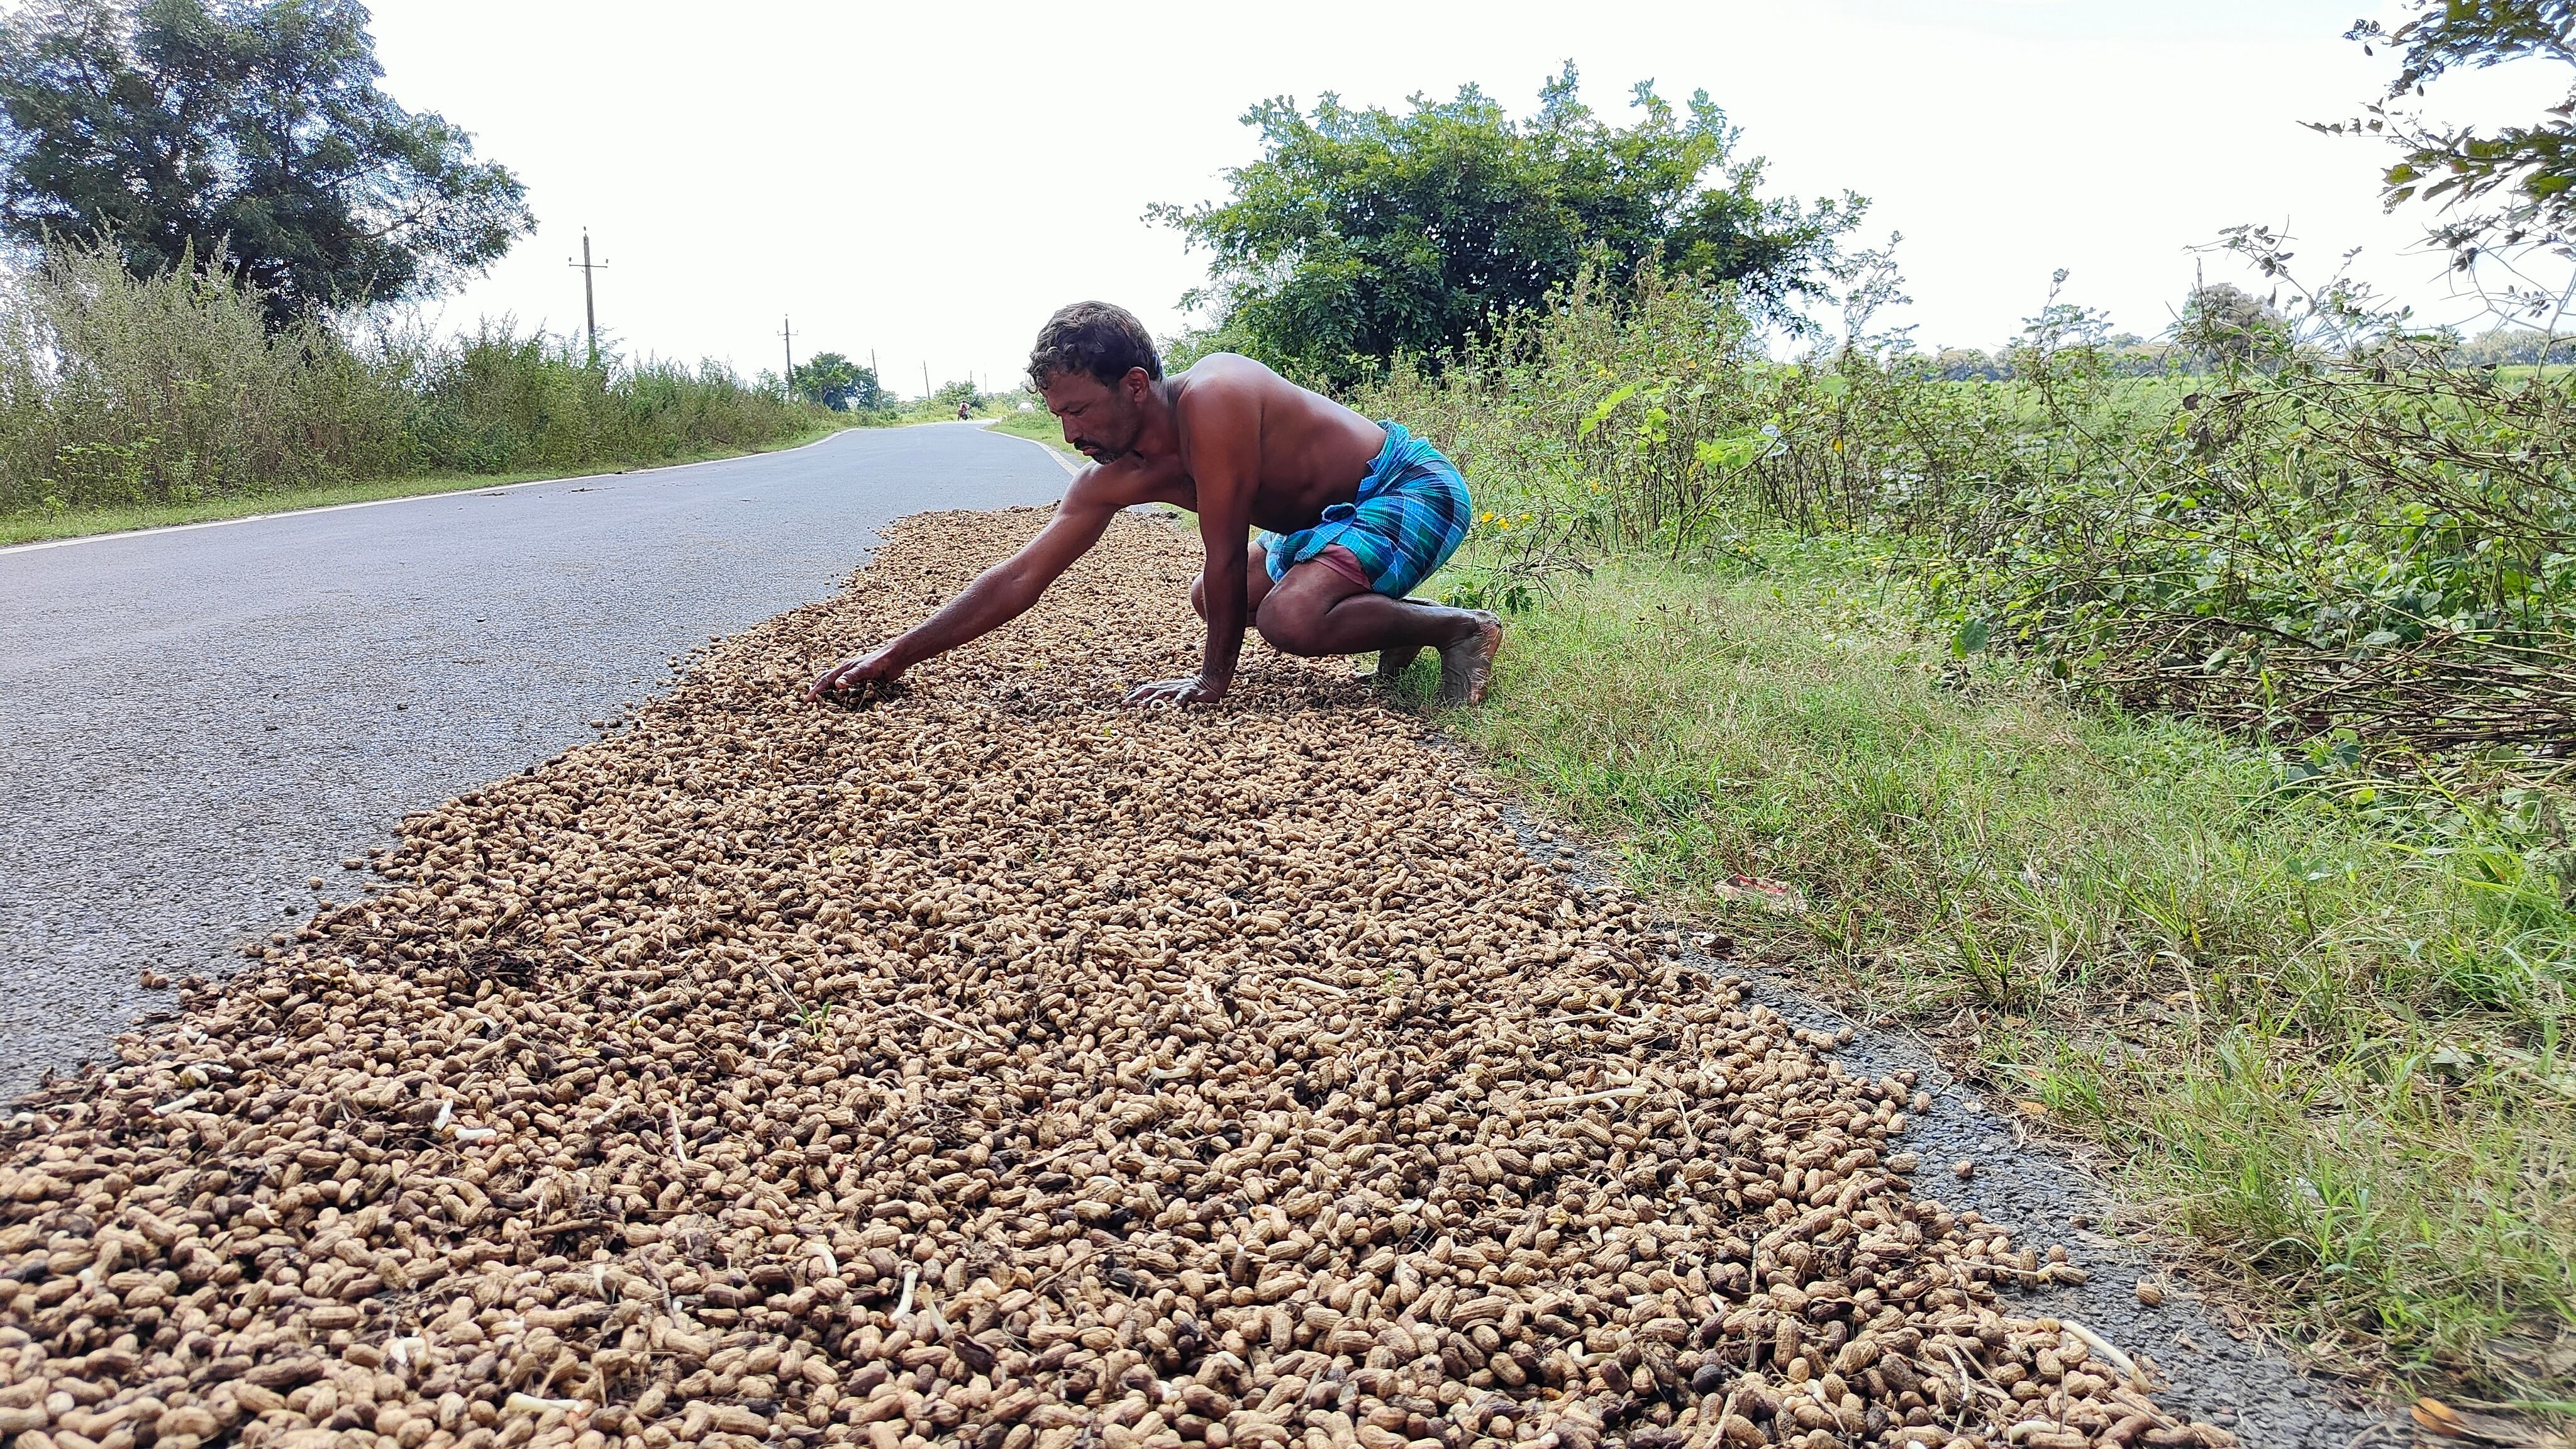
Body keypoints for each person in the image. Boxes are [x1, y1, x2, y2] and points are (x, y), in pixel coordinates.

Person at [808, 302, 1502, 708]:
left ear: (1136, 385)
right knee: (1211, 599)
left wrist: (1212, 681)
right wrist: (896, 656)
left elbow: (1226, 548)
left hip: (1407, 488)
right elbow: (1020, 578)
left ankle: (1458, 630)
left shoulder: (1217, 396)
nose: (1070, 434)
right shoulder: (1108, 477)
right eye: (1057, 415)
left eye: (1079, 410)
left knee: (1289, 617)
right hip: (1326, 527)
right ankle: (1398, 628)